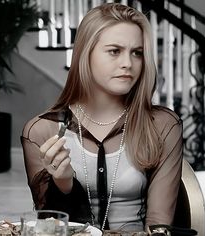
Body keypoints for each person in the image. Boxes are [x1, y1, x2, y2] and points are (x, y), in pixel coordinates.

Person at [21, 2, 183, 234]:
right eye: (114, 51)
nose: (128, 63)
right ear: (86, 54)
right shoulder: (42, 130)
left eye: (137, 53)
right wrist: (64, 183)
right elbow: (52, 227)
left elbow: (158, 225)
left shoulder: (162, 126)